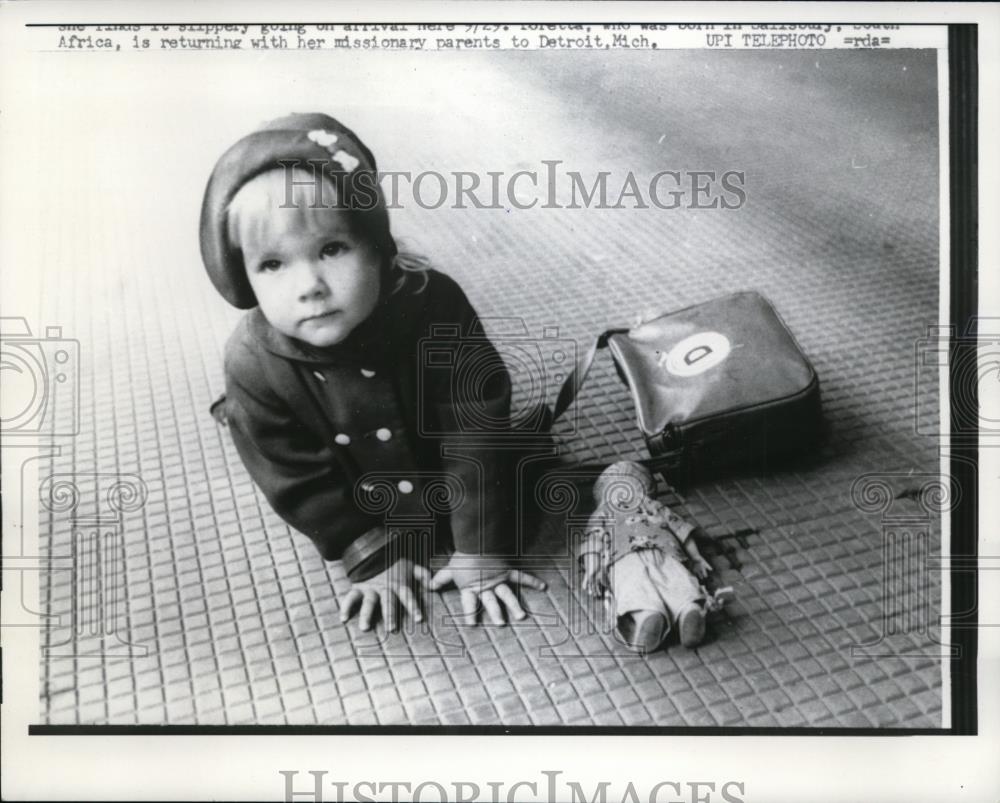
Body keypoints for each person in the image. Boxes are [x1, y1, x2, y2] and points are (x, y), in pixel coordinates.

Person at [201, 112, 546, 632]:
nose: (309, 285)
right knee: (269, 439)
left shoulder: (434, 304)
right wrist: (366, 551)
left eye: (332, 249)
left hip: (448, 475)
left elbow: (475, 426)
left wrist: (480, 548)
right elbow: (296, 478)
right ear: (243, 275)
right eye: (273, 264)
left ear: (377, 247)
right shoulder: (252, 362)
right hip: (356, 493)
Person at [579, 461, 732, 652]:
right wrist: (593, 566)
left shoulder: (651, 505)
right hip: (629, 558)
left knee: (672, 580)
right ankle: (652, 616)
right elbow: (680, 529)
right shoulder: (603, 513)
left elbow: (679, 528)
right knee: (643, 585)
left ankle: (686, 612)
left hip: (651, 554)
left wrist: (696, 557)